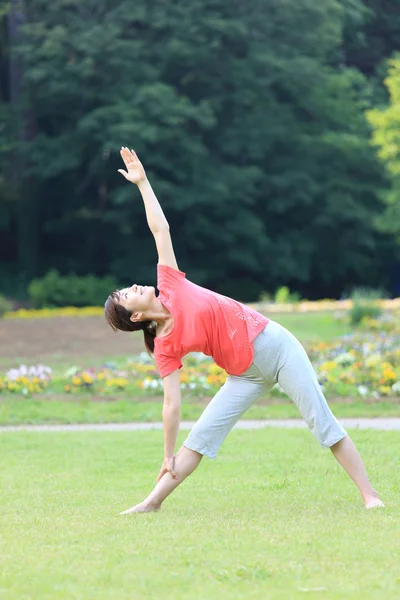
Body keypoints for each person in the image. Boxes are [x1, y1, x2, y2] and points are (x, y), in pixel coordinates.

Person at [105, 147, 384, 514]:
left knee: (321, 421)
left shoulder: (169, 281)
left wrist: (143, 184)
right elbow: (171, 403)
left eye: (130, 287)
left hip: (278, 348)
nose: (136, 287)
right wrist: (167, 453)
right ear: (136, 318)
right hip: (245, 376)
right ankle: (151, 503)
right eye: (129, 295)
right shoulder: (165, 345)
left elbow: (160, 228)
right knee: (200, 438)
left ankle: (370, 496)